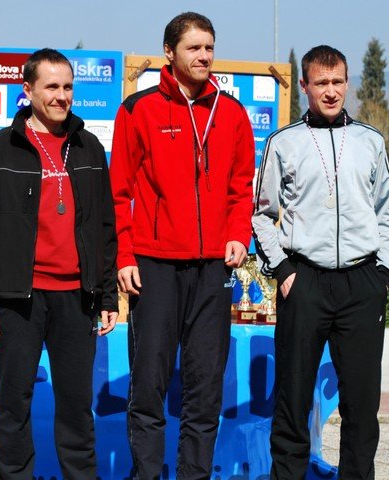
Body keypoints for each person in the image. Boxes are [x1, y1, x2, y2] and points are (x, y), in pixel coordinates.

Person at [109, 12, 255, 479]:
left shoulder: (232, 113)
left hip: (213, 269)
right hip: (154, 265)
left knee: (205, 390)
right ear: (169, 52)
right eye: (194, 47)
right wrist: (124, 255)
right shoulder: (138, 109)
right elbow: (118, 192)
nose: (204, 56)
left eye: (209, 47)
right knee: (148, 388)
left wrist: (238, 234)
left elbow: (241, 186)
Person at [0, 48, 119, 479]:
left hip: (77, 298)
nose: (61, 96)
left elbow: (105, 225)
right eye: (51, 87)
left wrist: (107, 293)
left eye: (68, 87)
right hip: (18, 299)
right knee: (13, 409)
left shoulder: (89, 147)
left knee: (77, 410)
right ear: (28, 89)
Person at [252, 45, 389, 479]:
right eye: (321, 83)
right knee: (293, 401)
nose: (331, 91)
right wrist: (283, 271)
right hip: (305, 283)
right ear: (305, 86)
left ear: (347, 83)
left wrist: (383, 275)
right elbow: (261, 214)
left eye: (338, 82)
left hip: (363, 283)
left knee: (361, 407)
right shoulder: (283, 142)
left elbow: (386, 212)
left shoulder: (370, 141)